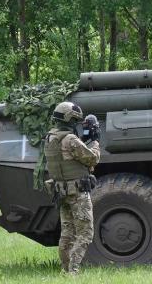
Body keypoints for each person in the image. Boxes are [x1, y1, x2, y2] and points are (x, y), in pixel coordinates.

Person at [43, 102, 101, 274]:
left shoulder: (50, 137)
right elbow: (92, 159)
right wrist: (96, 142)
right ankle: (73, 271)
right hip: (77, 193)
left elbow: (68, 156)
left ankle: (65, 269)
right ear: (69, 119)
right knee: (85, 233)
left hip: (62, 193)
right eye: (75, 120)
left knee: (67, 233)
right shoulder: (70, 140)